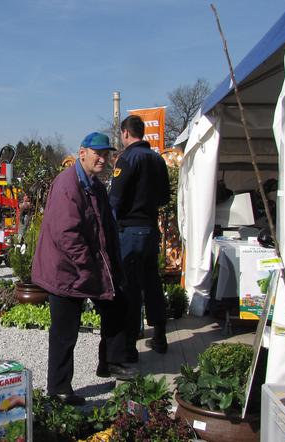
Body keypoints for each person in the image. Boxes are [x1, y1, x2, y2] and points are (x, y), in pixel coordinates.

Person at [32, 132, 135, 406]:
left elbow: (104, 227)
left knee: (117, 306)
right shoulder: (68, 184)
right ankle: (58, 388)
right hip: (65, 270)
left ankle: (110, 362)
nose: (103, 158)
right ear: (82, 154)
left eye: (107, 154)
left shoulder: (95, 184)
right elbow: (67, 235)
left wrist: (111, 266)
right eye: (97, 153)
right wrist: (89, 268)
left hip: (88, 265)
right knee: (65, 331)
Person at [109, 115, 171, 359]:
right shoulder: (157, 159)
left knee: (131, 287)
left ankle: (130, 345)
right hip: (150, 228)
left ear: (125, 133)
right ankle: (160, 334)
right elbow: (165, 197)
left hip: (131, 231)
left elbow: (115, 198)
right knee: (152, 282)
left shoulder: (127, 159)